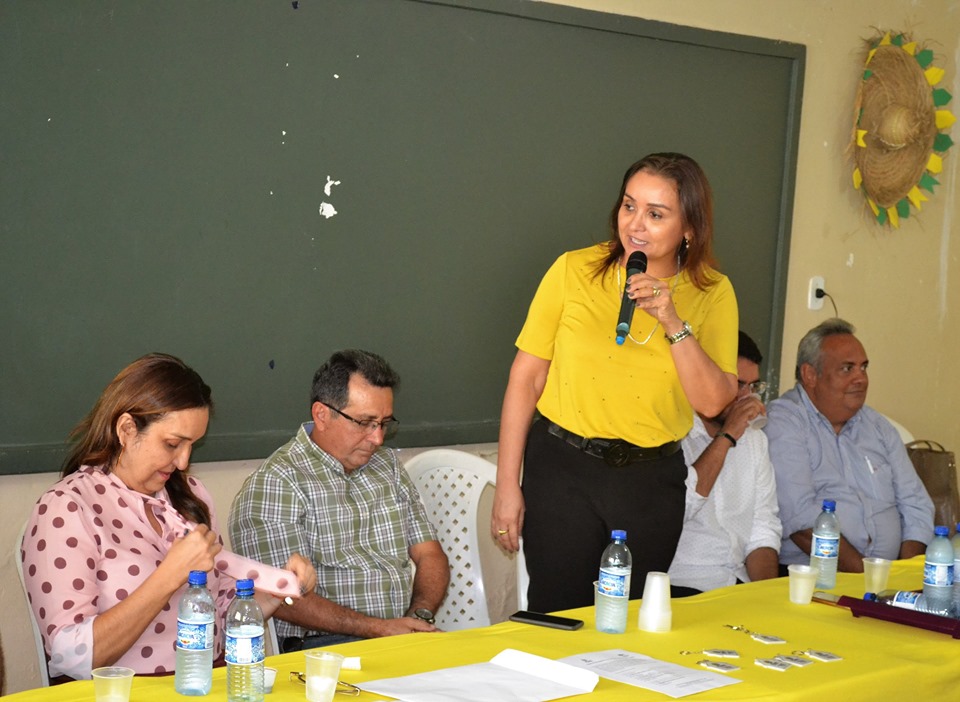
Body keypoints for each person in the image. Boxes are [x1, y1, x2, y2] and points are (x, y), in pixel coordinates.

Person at [492, 152, 739, 612]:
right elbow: (526, 379)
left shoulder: (711, 292)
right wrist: (509, 483)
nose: (636, 226)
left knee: (629, 623)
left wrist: (671, 320)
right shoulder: (573, 270)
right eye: (629, 206)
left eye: (656, 214)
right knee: (556, 613)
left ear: (689, 228)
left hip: (650, 482)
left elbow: (713, 401)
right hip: (563, 468)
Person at [20, 353, 316, 682]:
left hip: (206, 684)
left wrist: (272, 594)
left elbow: (218, 616)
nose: (183, 460)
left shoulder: (190, 495)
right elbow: (72, 659)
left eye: (192, 445)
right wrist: (169, 576)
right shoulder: (66, 508)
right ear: (127, 429)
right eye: (173, 443)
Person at [228, 349, 448, 651]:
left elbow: (430, 555)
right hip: (324, 647)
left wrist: (418, 616)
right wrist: (380, 630)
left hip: (399, 635)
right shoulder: (278, 483)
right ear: (322, 415)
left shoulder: (388, 467)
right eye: (364, 422)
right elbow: (284, 600)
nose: (378, 438)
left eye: (384, 423)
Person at [766, 318, 934, 572]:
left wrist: (902, 578)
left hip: (885, 580)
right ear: (810, 374)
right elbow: (801, 521)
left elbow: (916, 506)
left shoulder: (878, 426)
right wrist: (868, 583)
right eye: (847, 369)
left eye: (863, 368)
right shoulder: (785, 422)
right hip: (812, 576)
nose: (861, 379)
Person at [668, 331, 781, 595]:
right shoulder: (671, 433)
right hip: (680, 586)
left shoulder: (755, 440)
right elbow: (676, 512)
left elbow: (763, 528)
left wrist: (766, 597)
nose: (746, 398)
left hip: (735, 584)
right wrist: (726, 436)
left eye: (753, 387)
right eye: (738, 384)